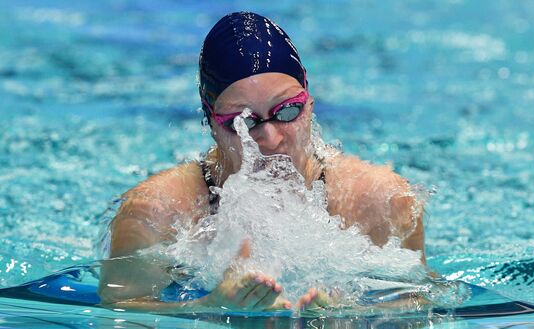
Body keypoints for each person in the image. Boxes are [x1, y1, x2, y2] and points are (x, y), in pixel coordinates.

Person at [98, 11, 425, 313]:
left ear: (309, 105)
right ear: (212, 125)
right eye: (242, 120)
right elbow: (119, 315)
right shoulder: (155, 213)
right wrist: (209, 309)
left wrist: (351, 319)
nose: (270, 138)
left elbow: (418, 310)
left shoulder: (381, 202)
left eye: (287, 110)